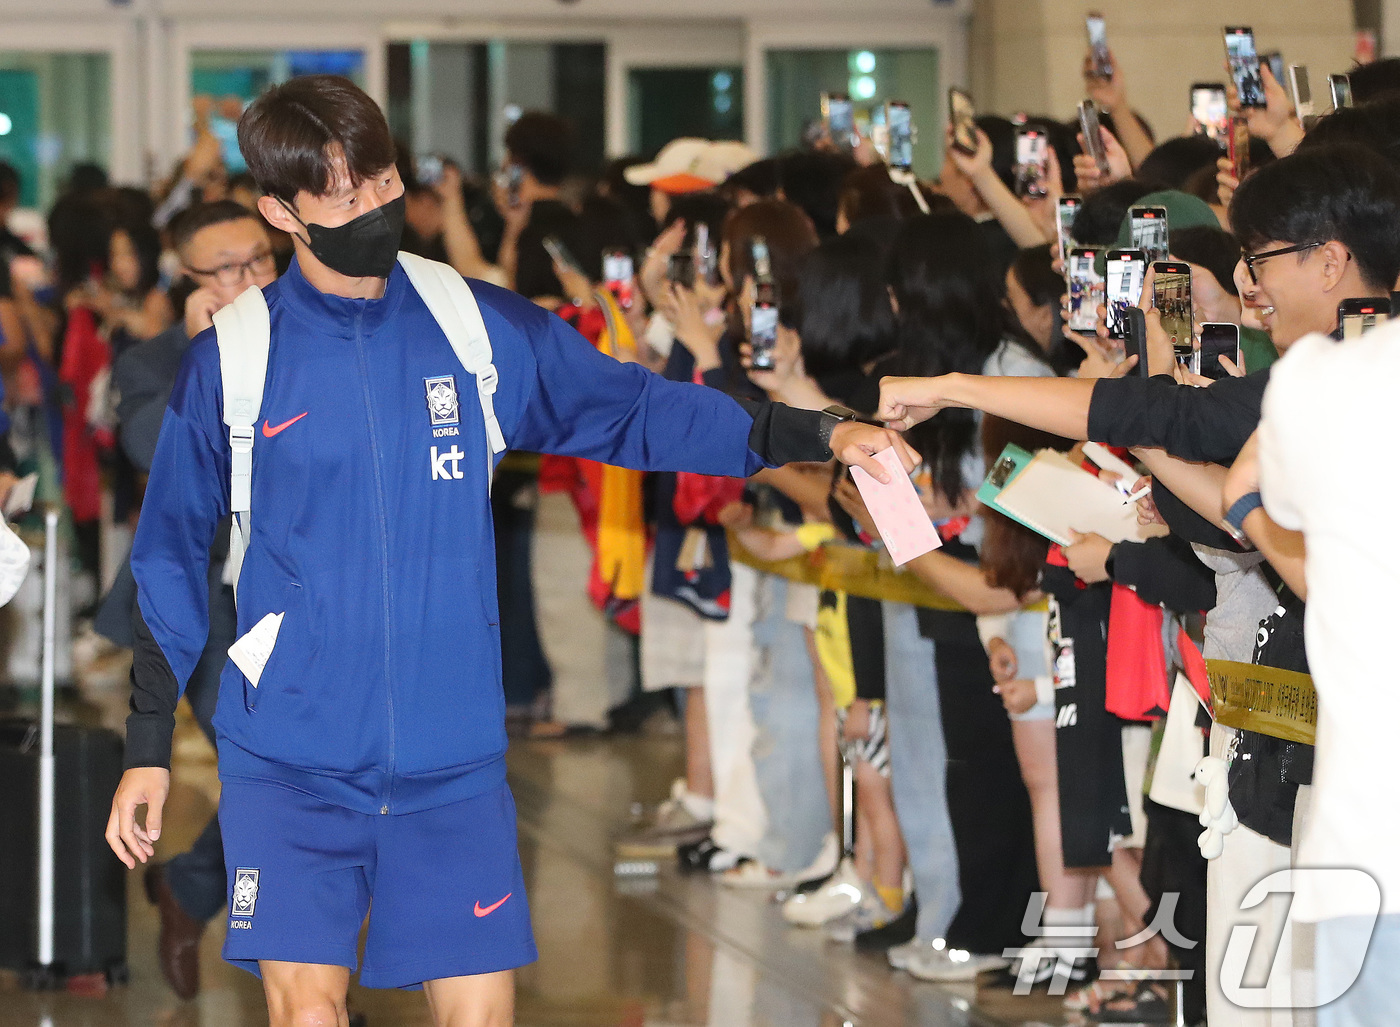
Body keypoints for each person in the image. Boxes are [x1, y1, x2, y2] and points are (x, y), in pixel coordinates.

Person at [105, 75, 912, 1027]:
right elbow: (166, 560)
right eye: (343, 193)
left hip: (452, 760)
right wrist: (149, 748)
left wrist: (815, 433)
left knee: (483, 1017)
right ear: (282, 211)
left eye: (384, 178)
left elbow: (633, 405)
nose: (375, 206)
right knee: (307, 1012)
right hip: (290, 759)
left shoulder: (468, 323)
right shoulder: (233, 362)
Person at [96, 199, 279, 1001]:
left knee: (299, 784)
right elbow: (144, 443)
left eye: (263, 260)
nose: (251, 280)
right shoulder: (153, 360)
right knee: (260, 777)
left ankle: (194, 888)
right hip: (202, 609)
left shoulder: (316, 337)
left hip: (300, 599)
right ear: (188, 281)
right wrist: (209, 357)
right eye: (228, 269)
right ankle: (308, 990)